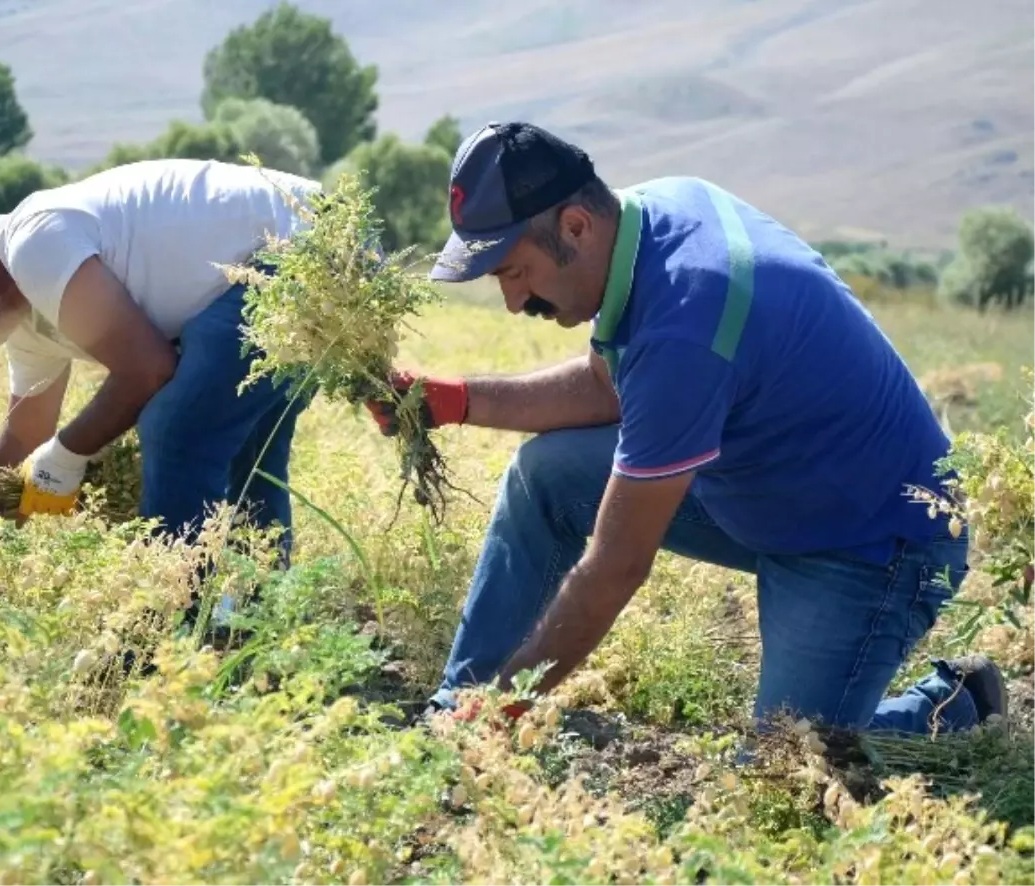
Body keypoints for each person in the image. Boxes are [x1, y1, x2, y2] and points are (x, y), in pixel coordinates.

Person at [367, 121, 1008, 735]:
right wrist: (453, 401)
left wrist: (506, 712)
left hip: (873, 542)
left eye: (514, 271)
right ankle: (456, 708)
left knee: (788, 765)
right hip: (769, 490)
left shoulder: (687, 316)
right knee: (548, 477)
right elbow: (605, 385)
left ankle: (953, 708)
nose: (513, 301)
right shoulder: (650, 219)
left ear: (575, 225)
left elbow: (614, 569)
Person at [0, 157, 319, 566]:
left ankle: (180, 615)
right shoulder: (25, 321)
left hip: (306, 246)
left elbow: (149, 369)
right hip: (305, 251)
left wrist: (67, 453)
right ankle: (256, 604)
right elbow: (25, 433)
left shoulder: (32, 245)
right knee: (244, 444)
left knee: (175, 428)